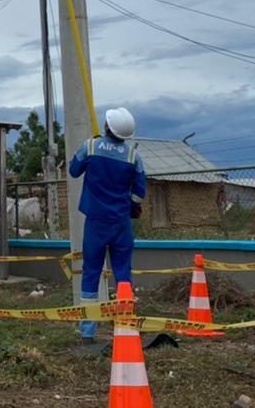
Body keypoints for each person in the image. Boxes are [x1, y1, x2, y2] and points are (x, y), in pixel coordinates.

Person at [68, 106, 146, 343]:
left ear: (106, 127)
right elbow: (139, 192)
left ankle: (88, 333)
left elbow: (73, 171)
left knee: (91, 273)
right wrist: (131, 206)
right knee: (123, 272)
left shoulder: (90, 147)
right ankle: (125, 324)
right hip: (121, 223)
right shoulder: (133, 156)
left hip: (96, 223)